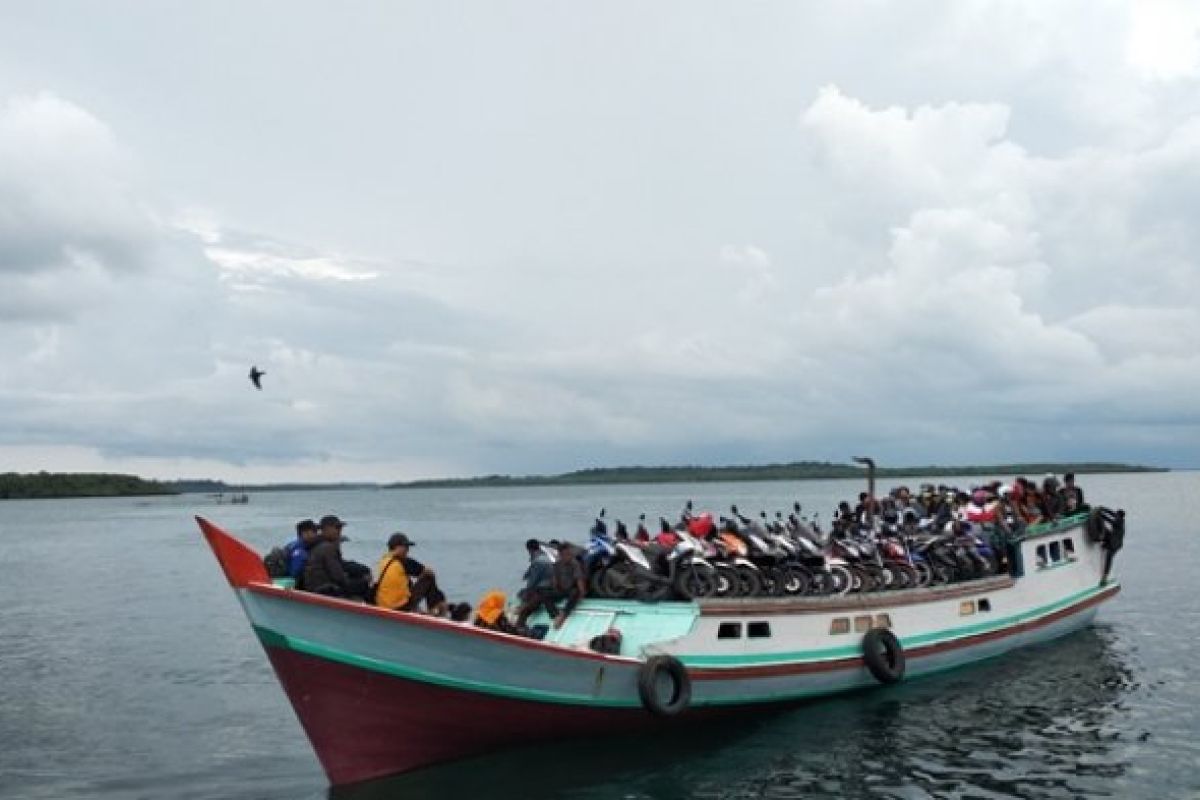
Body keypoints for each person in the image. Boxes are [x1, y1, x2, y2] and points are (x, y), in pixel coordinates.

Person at [516, 539, 587, 629]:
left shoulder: (574, 564)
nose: (569, 556)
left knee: (575, 592)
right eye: (566, 554)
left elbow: (580, 583)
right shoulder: (557, 564)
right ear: (560, 555)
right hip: (561, 590)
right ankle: (555, 615)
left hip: (570, 590)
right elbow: (554, 583)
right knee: (544, 593)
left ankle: (563, 615)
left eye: (569, 554)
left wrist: (581, 595)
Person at [374, 532, 448, 615]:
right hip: (400, 607)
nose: (408, 550)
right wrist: (439, 596)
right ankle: (435, 610)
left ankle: (421, 609)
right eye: (406, 547)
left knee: (407, 582)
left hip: (382, 605)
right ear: (398, 547)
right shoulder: (404, 562)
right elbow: (430, 572)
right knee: (428, 578)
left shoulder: (383, 561)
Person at [303, 515, 371, 599]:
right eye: (337, 528)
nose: (340, 531)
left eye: (340, 528)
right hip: (325, 589)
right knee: (364, 585)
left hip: (315, 587)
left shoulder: (315, 544)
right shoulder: (327, 548)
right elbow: (338, 577)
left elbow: (337, 566)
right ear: (326, 529)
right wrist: (363, 581)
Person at [287, 519, 321, 588]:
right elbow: (294, 573)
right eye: (314, 531)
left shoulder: (295, 544)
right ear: (305, 533)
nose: (316, 534)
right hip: (295, 584)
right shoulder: (299, 551)